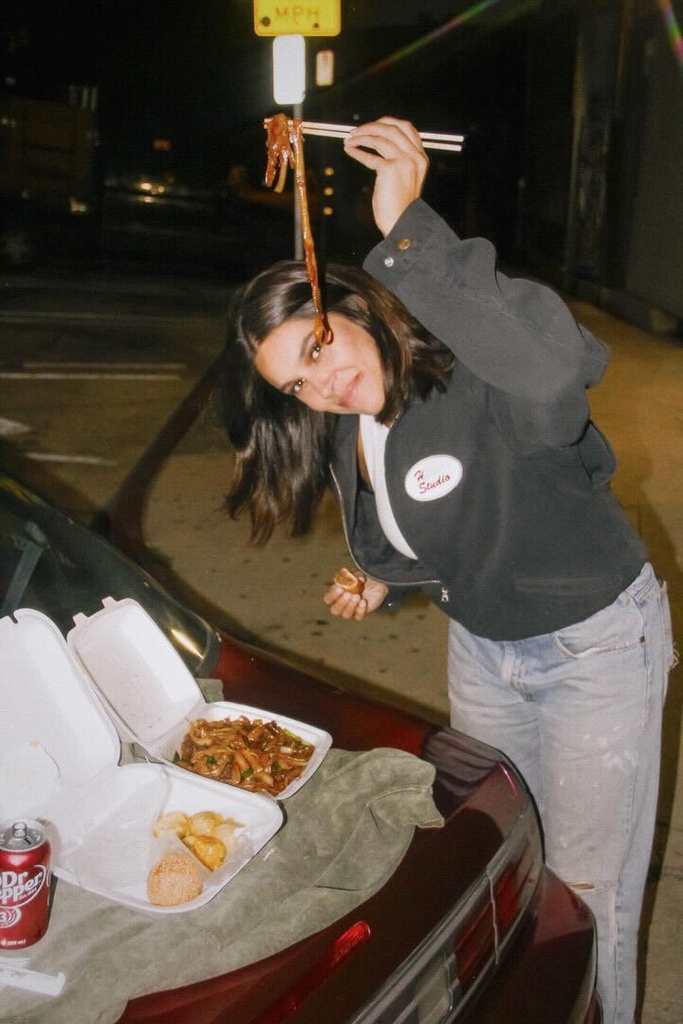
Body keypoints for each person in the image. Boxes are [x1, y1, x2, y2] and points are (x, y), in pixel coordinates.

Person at [221, 117, 674, 1023]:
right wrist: (383, 576)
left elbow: (553, 379)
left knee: (588, 898)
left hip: (590, 647)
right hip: (484, 654)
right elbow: (427, 519)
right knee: (509, 864)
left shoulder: (478, 367)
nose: (323, 388)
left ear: (350, 307)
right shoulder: (360, 428)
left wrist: (410, 229)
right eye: (297, 388)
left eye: (319, 350)